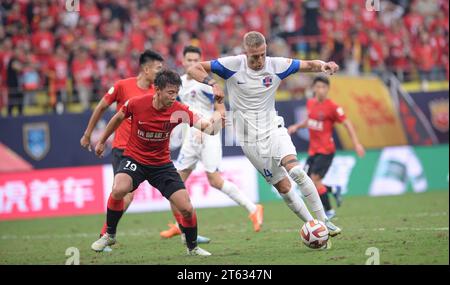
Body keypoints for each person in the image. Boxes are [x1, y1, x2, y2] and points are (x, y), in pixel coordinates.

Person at [187, 31, 341, 249]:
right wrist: (213, 83)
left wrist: (324, 65)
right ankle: (313, 225)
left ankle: (324, 221)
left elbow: (307, 65)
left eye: (262, 55)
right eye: (254, 56)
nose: (259, 60)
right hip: (249, 141)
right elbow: (193, 68)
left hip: (273, 129)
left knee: (295, 170)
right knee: (283, 187)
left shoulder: (276, 65)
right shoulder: (232, 64)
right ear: (245, 53)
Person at [80, 50, 210, 246]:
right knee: (122, 192)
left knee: (179, 201)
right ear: (146, 68)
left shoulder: (167, 98)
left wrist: (212, 122)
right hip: (127, 152)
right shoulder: (126, 90)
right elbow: (107, 111)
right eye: (158, 68)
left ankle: (186, 234)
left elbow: (196, 120)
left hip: (159, 160)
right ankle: (107, 235)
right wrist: (92, 136)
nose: (160, 71)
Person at [160, 46, 264, 240]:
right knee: (174, 183)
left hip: (209, 135)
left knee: (214, 180)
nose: (192, 64)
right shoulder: (179, 84)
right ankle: (180, 225)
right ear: (183, 61)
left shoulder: (209, 85)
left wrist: (206, 128)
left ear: (200, 62)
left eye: (195, 61)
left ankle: (253, 209)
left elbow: (221, 112)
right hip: (190, 138)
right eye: (189, 60)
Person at [287, 76, 365, 219]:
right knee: (308, 182)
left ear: (328, 89)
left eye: (323, 87)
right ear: (314, 88)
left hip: (326, 150)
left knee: (315, 181)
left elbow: (347, 124)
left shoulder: (333, 107)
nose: (320, 90)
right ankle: (333, 189)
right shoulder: (310, 103)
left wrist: (356, 144)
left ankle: (329, 211)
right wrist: (297, 126)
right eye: (318, 87)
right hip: (313, 150)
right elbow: (309, 121)